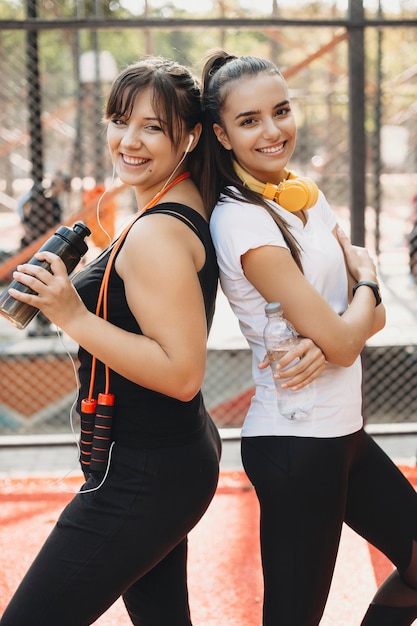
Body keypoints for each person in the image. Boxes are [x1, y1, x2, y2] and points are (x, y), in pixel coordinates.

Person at [1, 57, 224, 626]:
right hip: (161, 458)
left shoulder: (158, 232)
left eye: (153, 126)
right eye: (120, 119)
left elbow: (182, 374)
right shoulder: (171, 205)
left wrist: (70, 315)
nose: (129, 140)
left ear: (191, 135)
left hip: (143, 472)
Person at [200, 49, 417, 626]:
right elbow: (356, 323)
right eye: (249, 121)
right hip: (297, 443)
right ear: (221, 135)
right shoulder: (240, 220)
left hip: (342, 434)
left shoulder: (305, 196)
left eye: (281, 111)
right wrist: (367, 280)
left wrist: (337, 330)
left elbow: (367, 322)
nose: (273, 131)